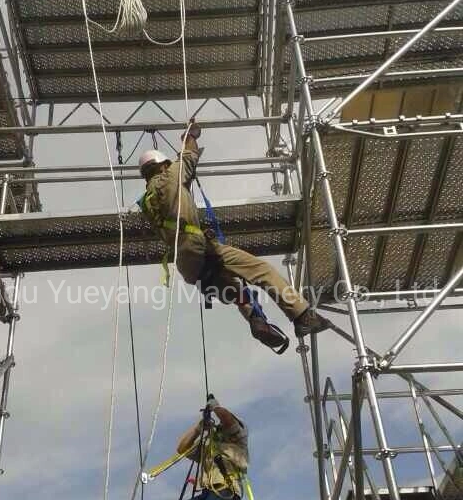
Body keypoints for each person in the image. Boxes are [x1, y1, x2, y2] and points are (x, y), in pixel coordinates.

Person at [138, 122, 329, 351]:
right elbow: (189, 155)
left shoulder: (145, 203)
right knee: (261, 270)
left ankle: (256, 320)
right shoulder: (171, 176)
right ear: (162, 165)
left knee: (235, 289)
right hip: (197, 245)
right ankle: (301, 316)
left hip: (185, 263)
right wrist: (190, 135)